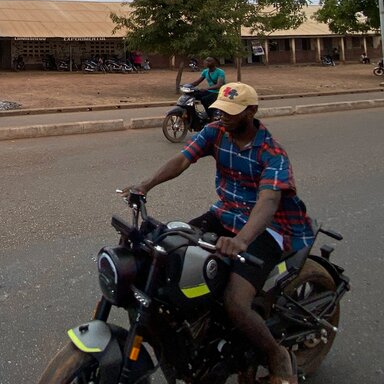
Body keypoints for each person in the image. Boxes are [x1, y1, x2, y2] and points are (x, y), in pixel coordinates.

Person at [124, 83, 314, 384]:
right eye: (221, 110)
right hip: (224, 214)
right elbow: (183, 159)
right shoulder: (216, 132)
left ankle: (276, 355)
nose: (223, 116)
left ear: (251, 112)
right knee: (173, 253)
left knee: (235, 301)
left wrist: (241, 240)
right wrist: (146, 185)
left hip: (268, 228)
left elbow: (268, 203)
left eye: (231, 112)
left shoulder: (272, 153)